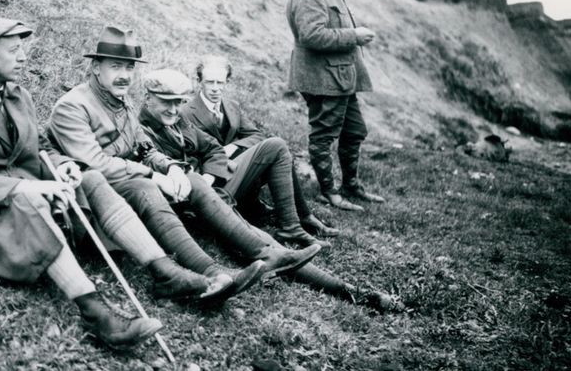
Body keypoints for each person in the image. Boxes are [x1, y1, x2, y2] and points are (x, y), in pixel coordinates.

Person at [0, 18, 230, 349]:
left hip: (24, 190)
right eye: (14, 50)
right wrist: (28, 188)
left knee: (92, 177)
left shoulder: (18, 95)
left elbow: (40, 146)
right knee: (32, 203)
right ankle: (97, 314)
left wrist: (65, 165)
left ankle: (165, 272)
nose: (24, 57)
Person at [46, 26, 318, 296]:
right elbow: (95, 163)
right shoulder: (73, 105)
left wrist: (171, 168)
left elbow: (144, 147)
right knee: (146, 187)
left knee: (194, 180)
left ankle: (265, 253)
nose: (124, 76)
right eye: (116, 67)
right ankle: (211, 271)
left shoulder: (121, 102)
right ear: (96, 67)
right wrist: (153, 175)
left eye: (129, 68)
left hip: (127, 182)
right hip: (94, 195)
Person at [138, 69, 405, 313]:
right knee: (268, 247)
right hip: (186, 211)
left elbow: (213, 149)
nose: (174, 109)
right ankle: (353, 292)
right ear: (148, 98)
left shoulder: (178, 123)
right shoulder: (142, 131)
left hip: (210, 196)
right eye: (166, 101)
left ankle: (354, 292)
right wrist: (195, 181)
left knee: (272, 248)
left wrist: (207, 177)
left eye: (178, 102)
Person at [182, 55, 340, 244]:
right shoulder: (185, 113)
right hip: (214, 184)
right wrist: (218, 159)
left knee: (279, 153)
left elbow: (256, 135)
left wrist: (232, 148)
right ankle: (291, 227)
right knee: (276, 146)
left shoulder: (231, 106)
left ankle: (302, 216)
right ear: (199, 81)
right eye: (209, 82)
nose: (215, 88)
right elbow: (189, 159)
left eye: (220, 82)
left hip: (236, 173)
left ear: (227, 82)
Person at [286, 0, 386, 211]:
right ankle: (329, 192)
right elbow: (312, 35)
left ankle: (351, 186)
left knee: (354, 131)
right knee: (324, 134)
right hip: (324, 77)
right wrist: (354, 36)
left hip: (338, 75)